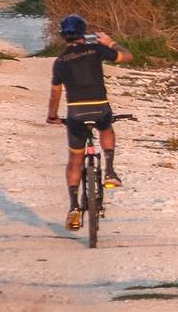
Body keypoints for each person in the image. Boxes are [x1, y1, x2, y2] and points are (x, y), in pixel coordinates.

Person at [45, 14, 132, 231]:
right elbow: (127, 56)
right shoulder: (95, 50)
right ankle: (110, 171)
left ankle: (74, 206)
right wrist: (110, 42)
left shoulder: (60, 62)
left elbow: (55, 95)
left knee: (75, 158)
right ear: (85, 32)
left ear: (63, 36)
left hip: (75, 113)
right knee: (106, 126)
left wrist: (53, 116)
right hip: (99, 106)